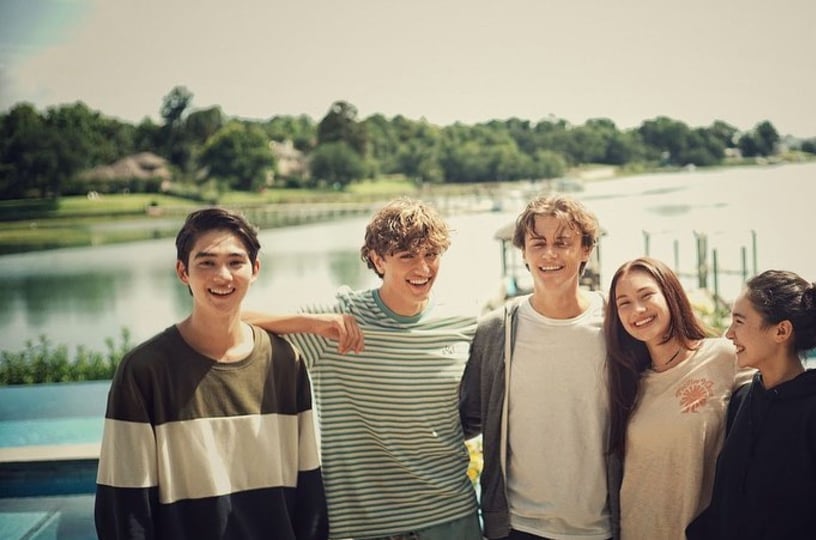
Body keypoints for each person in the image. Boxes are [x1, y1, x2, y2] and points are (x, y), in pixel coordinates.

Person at [246, 197, 482, 540]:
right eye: (408, 257)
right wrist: (312, 324)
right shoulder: (337, 323)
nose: (423, 268)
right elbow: (224, 320)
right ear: (377, 259)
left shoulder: (461, 323)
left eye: (431, 255)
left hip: (451, 517)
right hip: (363, 528)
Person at [94, 207, 328, 540]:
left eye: (236, 262)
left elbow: (309, 495)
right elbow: (124, 504)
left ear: (255, 269)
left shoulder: (285, 362)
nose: (223, 276)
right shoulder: (144, 371)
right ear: (182, 272)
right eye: (206, 262)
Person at [460, 194, 614, 540]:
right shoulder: (497, 329)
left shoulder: (615, 327)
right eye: (538, 243)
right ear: (524, 252)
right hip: (519, 526)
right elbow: (465, 419)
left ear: (586, 249)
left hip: (600, 525)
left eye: (563, 243)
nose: (550, 254)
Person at [687, 269, 816, 539]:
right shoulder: (743, 402)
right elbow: (726, 505)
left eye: (739, 322)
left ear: (781, 331)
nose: (728, 334)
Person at [604, 257, 755, 540]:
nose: (637, 310)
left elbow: (783, 389)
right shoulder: (629, 384)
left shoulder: (722, 356)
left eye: (646, 295)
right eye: (623, 303)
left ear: (669, 294)